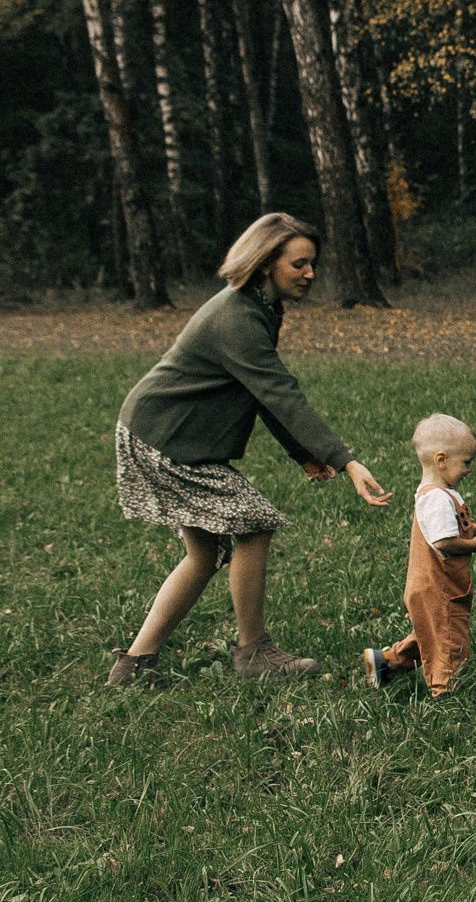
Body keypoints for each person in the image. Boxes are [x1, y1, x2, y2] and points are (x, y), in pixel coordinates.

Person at [107, 214, 392, 686]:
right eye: (299, 264)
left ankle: (135, 665)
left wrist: (301, 452)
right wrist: (346, 460)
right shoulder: (237, 317)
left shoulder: (260, 307)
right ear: (264, 264)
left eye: (312, 263)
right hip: (167, 437)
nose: (310, 274)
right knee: (253, 525)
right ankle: (253, 652)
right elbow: (280, 392)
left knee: (204, 552)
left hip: (164, 432)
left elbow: (259, 390)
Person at [363, 414, 476, 698]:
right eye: (467, 462)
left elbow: (455, 529)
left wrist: (475, 530)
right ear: (441, 460)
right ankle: (446, 694)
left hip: (437, 586)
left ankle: (386, 663)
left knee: (433, 633)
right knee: (449, 643)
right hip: (439, 587)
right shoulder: (436, 498)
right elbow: (445, 541)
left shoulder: (441, 493)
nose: (469, 469)